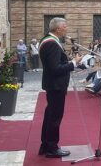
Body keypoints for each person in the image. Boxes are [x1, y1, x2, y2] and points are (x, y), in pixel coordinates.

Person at [38, 17, 82, 158]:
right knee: (55, 117)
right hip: (56, 85)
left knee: (50, 115)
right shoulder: (51, 43)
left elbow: (55, 63)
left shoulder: (48, 40)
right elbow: (55, 69)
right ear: (57, 29)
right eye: (65, 26)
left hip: (53, 84)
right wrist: (73, 63)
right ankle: (52, 148)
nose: (66, 29)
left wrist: (68, 61)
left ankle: (45, 144)